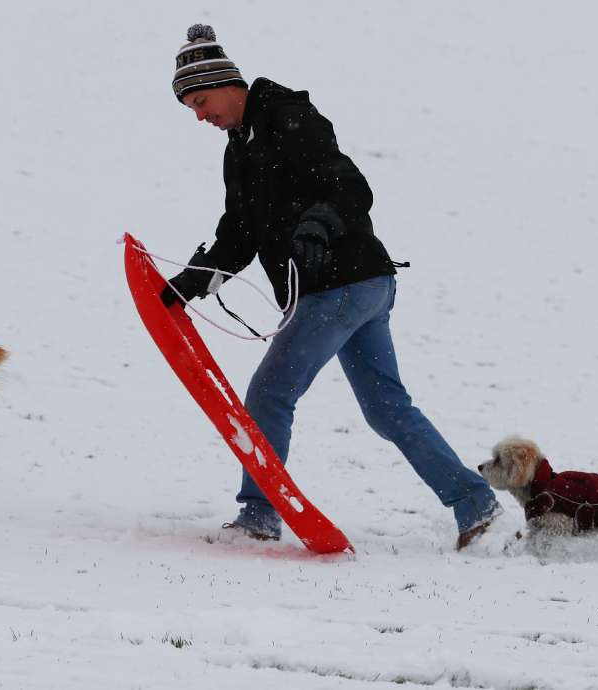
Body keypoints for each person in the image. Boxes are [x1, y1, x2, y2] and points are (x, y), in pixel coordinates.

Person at [163, 24, 501, 550]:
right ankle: (475, 504)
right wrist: (194, 280)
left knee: (270, 395)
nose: (200, 116)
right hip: (365, 287)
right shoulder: (239, 150)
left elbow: (348, 184)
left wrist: (319, 223)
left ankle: (259, 513)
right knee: (387, 409)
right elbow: (240, 234)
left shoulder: (287, 116)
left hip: (340, 284)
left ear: (230, 83)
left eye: (202, 101)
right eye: (191, 109)